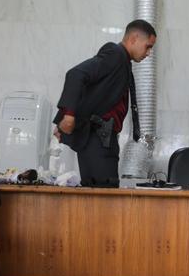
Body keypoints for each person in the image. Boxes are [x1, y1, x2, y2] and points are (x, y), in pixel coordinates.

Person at [54, 19, 157, 187]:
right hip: (97, 140)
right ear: (134, 39)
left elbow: (93, 95)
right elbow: (76, 75)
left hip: (103, 139)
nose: (148, 53)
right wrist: (68, 115)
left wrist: (65, 120)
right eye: (148, 46)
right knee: (104, 200)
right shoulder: (115, 54)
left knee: (101, 199)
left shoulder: (123, 62)